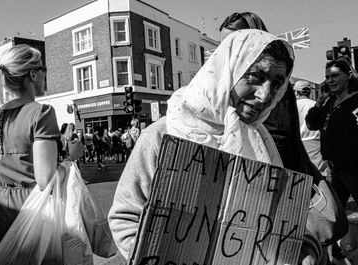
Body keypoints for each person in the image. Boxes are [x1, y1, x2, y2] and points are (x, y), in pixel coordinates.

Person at [108, 30, 325, 264]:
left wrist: (304, 251)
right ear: (228, 71)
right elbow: (126, 218)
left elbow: (281, 223)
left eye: (276, 84)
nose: (264, 95)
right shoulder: (163, 136)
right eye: (254, 77)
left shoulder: (261, 141)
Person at [0, 44, 82, 264]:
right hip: (31, 213)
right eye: (43, 69)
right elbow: (45, 180)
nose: (44, 75)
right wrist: (72, 158)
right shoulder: (40, 113)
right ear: (33, 74)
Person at [219, 12, 318, 176]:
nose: (263, 96)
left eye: (237, 42)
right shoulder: (220, 83)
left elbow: (283, 139)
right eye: (224, 45)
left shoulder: (276, 89)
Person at [306, 58, 358, 208]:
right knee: (334, 213)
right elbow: (311, 124)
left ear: (348, 75)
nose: (330, 80)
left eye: (335, 75)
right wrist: (319, 101)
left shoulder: (356, 100)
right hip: (334, 170)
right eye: (327, 77)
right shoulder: (330, 101)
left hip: (353, 170)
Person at [294, 80, 328, 176]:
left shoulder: (292, 106)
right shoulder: (316, 105)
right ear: (309, 92)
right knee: (320, 176)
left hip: (298, 143)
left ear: (296, 92)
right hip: (316, 144)